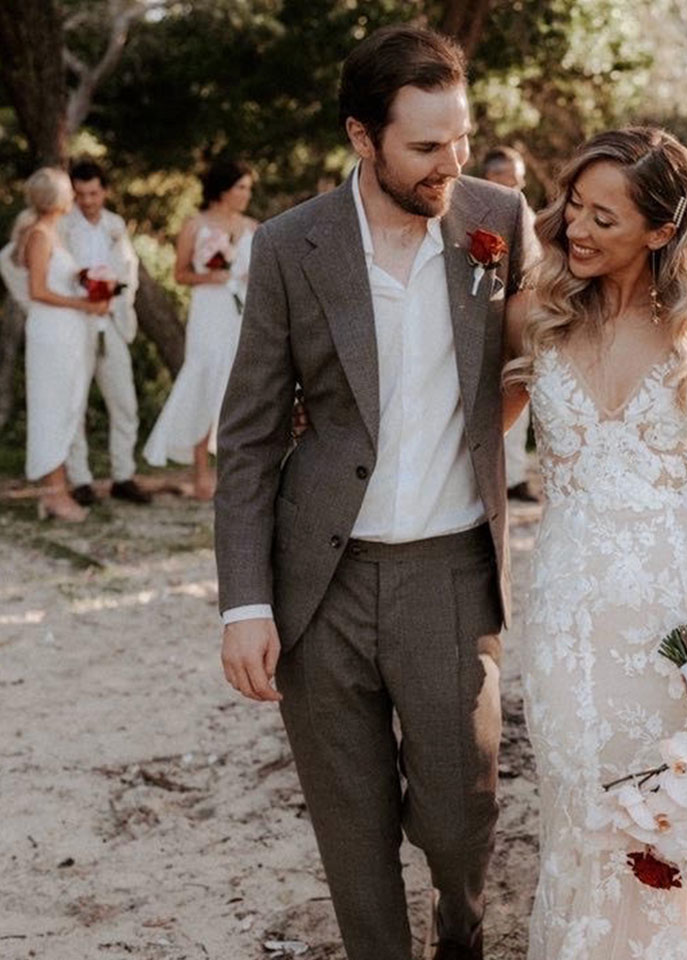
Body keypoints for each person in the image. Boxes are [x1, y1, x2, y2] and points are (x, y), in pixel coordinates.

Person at [213, 26, 536, 960]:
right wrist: (244, 603)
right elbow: (249, 437)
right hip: (322, 583)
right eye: (426, 146)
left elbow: (537, 353)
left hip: (450, 570)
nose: (453, 163)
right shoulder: (289, 245)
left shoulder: (500, 221)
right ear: (362, 137)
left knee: (459, 816)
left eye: (461, 138)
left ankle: (460, 930)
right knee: (351, 832)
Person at [502, 127, 687, 959]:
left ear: (660, 230)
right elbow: (452, 425)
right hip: (566, 619)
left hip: (670, 619)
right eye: (574, 206)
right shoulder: (535, 315)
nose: (576, 228)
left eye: (603, 218)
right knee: (579, 812)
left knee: (670, 820)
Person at [143, 159, 256, 499]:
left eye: (249, 189)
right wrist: (211, 276)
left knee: (238, 385)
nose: (247, 195)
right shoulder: (195, 225)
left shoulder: (254, 227)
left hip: (242, 313)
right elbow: (180, 274)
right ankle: (201, 473)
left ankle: (234, 471)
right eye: (241, 188)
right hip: (209, 312)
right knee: (204, 381)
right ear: (223, 190)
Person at [16, 168, 111, 521]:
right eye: (69, 190)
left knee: (68, 406)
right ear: (56, 198)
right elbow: (37, 290)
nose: (74, 195)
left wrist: (89, 282)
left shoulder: (55, 233)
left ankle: (58, 488)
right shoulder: (39, 235)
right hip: (51, 333)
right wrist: (83, 304)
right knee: (51, 408)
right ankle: (53, 494)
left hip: (68, 333)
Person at [60, 160, 150, 506]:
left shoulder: (115, 225)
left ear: (105, 191)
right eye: (80, 194)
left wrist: (115, 298)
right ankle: (80, 480)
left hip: (111, 323)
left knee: (124, 403)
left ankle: (123, 476)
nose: (87, 201)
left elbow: (130, 273)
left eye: (93, 193)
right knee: (75, 404)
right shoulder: (63, 226)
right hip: (76, 323)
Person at [482, 145, 539, 502]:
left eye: (519, 180)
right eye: (510, 179)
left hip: (524, 320)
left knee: (521, 397)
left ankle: (515, 477)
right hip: (488, 321)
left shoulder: (526, 213)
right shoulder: (477, 213)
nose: (517, 186)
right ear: (491, 177)